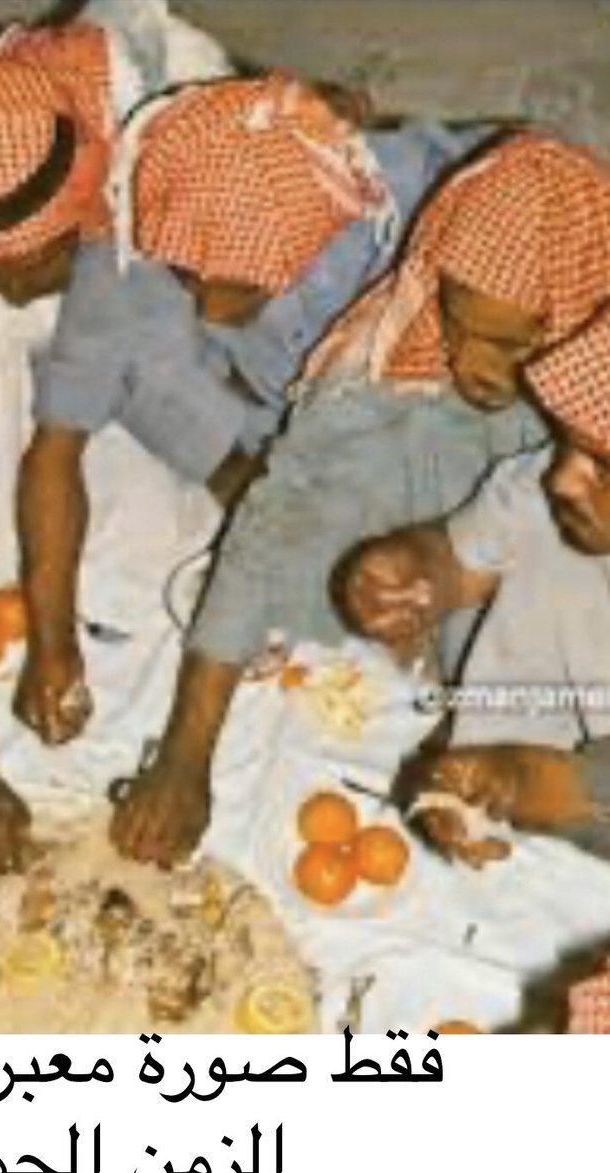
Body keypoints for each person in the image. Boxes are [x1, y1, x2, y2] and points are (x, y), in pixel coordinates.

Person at [108, 131, 600, 868]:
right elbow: (279, 518)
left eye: (512, 346)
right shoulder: (402, 361)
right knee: (312, 541)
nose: (473, 364)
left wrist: (527, 776)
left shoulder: (584, 423)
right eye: (457, 325)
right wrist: (185, 753)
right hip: (481, 544)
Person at [0, 1, 233, 882]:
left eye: (34, 263)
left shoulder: (163, 140)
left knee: (161, 491)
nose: (20, 287)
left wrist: (55, 636)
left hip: (118, 247)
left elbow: (73, 427)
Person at [17, 74, 497, 748]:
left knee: (457, 531)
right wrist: (51, 644)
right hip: (275, 399)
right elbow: (55, 448)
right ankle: (248, 484)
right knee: (113, 361)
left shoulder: (430, 220)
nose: (210, 308)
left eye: (240, 285)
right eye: (189, 275)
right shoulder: (154, 204)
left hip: (420, 399)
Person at [336, 306, 610, 864]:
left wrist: (519, 781)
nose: (563, 478)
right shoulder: (562, 493)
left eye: (603, 467)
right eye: (568, 444)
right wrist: (417, 568)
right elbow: (467, 554)